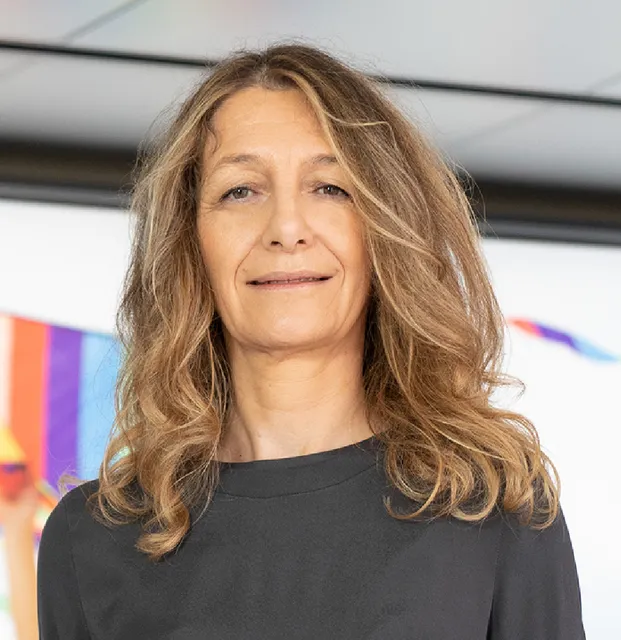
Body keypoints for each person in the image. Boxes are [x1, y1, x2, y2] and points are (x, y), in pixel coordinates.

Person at [36, 43, 586, 639]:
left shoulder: (494, 508)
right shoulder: (92, 538)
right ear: (189, 241)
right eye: (241, 190)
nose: (287, 229)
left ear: (384, 229)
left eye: (329, 188)